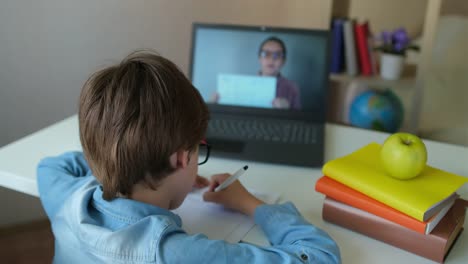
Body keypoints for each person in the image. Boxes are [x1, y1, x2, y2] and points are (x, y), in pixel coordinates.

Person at [37, 50, 340, 263]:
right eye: (199, 151)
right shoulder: (177, 254)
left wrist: (121, 159)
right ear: (181, 159)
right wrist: (250, 203)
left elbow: (52, 166)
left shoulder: (65, 197)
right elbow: (319, 256)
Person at [258, 36, 301, 110]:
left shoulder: (292, 88)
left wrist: (288, 109)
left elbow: (298, 119)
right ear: (259, 58)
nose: (271, 59)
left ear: (283, 61)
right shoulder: (245, 85)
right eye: (266, 54)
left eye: (277, 55)